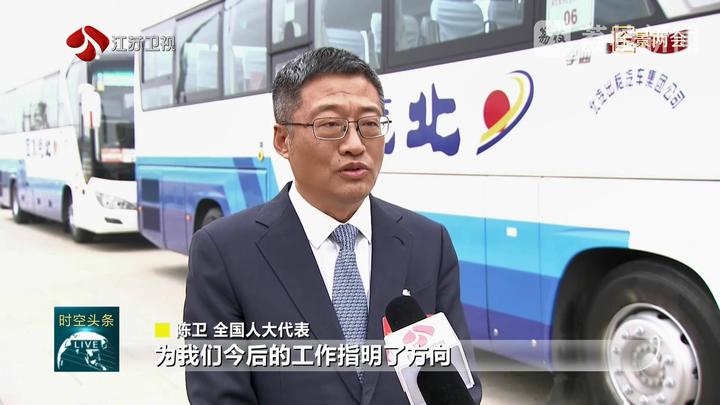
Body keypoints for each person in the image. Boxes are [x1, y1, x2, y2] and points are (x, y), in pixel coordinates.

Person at [184, 46, 482, 404]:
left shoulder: (429, 242)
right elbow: (219, 396)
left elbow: (461, 386)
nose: (355, 145)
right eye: (330, 125)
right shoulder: (223, 252)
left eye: (369, 124)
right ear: (283, 140)